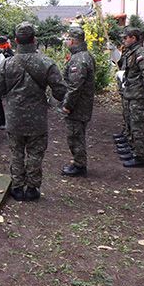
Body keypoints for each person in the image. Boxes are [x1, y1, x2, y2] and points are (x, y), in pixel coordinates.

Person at [0, 22, 66, 201]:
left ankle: (17, 188)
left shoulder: (7, 63)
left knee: (16, 153)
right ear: (34, 40)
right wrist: (50, 100)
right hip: (37, 119)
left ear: (16, 41)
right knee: (35, 153)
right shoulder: (46, 63)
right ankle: (32, 188)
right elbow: (61, 91)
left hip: (14, 117)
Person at [60, 26, 95, 177]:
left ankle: (79, 165)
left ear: (73, 41)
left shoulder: (79, 59)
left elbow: (75, 86)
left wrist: (68, 105)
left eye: (68, 39)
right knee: (76, 134)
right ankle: (78, 162)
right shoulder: (83, 56)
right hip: (82, 104)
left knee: (75, 136)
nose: (66, 42)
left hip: (78, 106)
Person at [118, 26, 144, 168]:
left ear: (133, 38)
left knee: (137, 126)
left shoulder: (140, 53)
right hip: (131, 93)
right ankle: (133, 149)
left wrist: (142, 87)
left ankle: (139, 157)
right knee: (131, 123)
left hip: (137, 95)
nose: (124, 40)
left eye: (125, 38)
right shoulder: (131, 52)